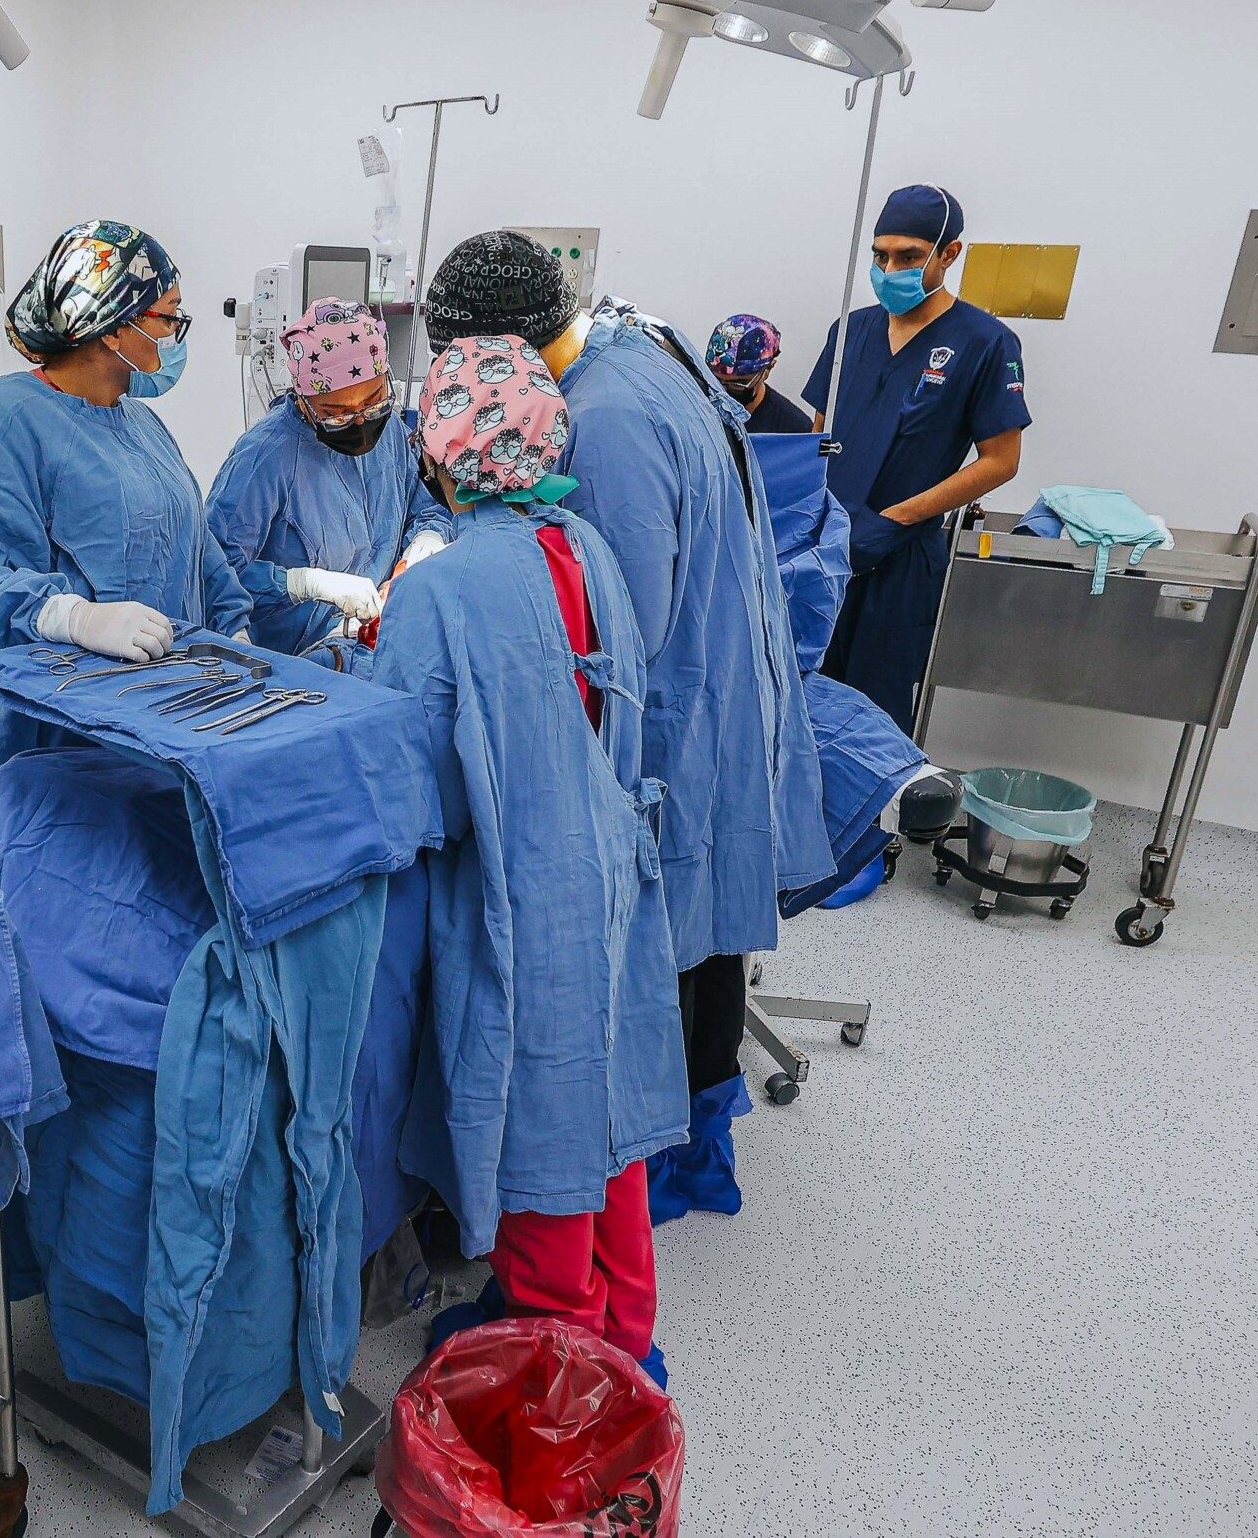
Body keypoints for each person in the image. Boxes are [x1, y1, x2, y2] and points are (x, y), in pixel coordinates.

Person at [424, 232, 831, 1222]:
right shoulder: (642, 351)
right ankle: (687, 1143)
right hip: (716, 694)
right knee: (702, 938)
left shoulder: (599, 421)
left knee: (672, 945)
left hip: (672, 721)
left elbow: (615, 635)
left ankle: (650, 1164)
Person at [373, 335, 683, 1382]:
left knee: (542, 1120)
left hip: (524, 889)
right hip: (611, 876)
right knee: (609, 1110)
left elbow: (413, 788)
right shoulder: (587, 547)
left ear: (443, 450)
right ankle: (627, 1337)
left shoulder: (442, 588)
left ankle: (563, 1375)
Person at [0, 219, 252, 813]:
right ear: (113, 327)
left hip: (164, 715)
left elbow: (193, 542)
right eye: (168, 316)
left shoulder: (140, 424)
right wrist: (74, 618)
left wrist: (234, 631)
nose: (177, 334)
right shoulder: (6, 423)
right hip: (59, 739)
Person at [805, 184, 1031, 733]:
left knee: (871, 713)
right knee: (800, 691)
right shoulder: (851, 331)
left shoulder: (985, 343)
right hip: (823, 544)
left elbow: (1001, 460)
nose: (890, 269)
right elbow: (819, 429)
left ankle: (869, 821)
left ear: (949, 254)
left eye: (908, 256)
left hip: (899, 555)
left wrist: (897, 519)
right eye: (880, 256)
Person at [205, 297, 450, 658]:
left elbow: (424, 502)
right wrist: (304, 584)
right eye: (337, 414)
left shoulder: (392, 434)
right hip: (295, 662)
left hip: (368, 643)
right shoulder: (265, 458)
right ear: (304, 400)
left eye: (373, 400)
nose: (361, 421)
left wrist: (427, 538)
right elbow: (214, 572)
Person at [706, 313, 816, 435]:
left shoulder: (794, 431)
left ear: (767, 370)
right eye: (716, 380)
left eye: (737, 384)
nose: (723, 391)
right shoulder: (699, 406)